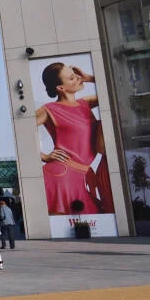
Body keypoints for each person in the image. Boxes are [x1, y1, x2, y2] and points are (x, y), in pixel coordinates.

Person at [36, 62, 114, 216]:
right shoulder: (49, 109)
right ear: (61, 88)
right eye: (72, 78)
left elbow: (115, 91)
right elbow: (21, 128)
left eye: (77, 75)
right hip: (60, 175)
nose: (78, 78)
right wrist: (43, 156)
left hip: (80, 175)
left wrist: (89, 78)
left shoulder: (85, 104)